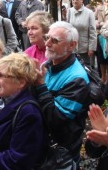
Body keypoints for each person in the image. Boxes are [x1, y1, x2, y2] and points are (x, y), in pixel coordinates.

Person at [33, 21, 90, 164]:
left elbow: (56, 119)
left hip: (62, 153)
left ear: (72, 45)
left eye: (55, 41)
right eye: (47, 38)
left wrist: (40, 86)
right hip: (42, 145)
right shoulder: (48, 64)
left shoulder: (77, 79)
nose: (47, 44)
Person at [67, 0, 97, 68]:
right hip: (72, 47)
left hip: (84, 48)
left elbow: (92, 32)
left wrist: (91, 48)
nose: (74, 1)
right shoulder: (69, 11)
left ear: (82, 0)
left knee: (84, 68)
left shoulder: (89, 13)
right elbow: (67, 28)